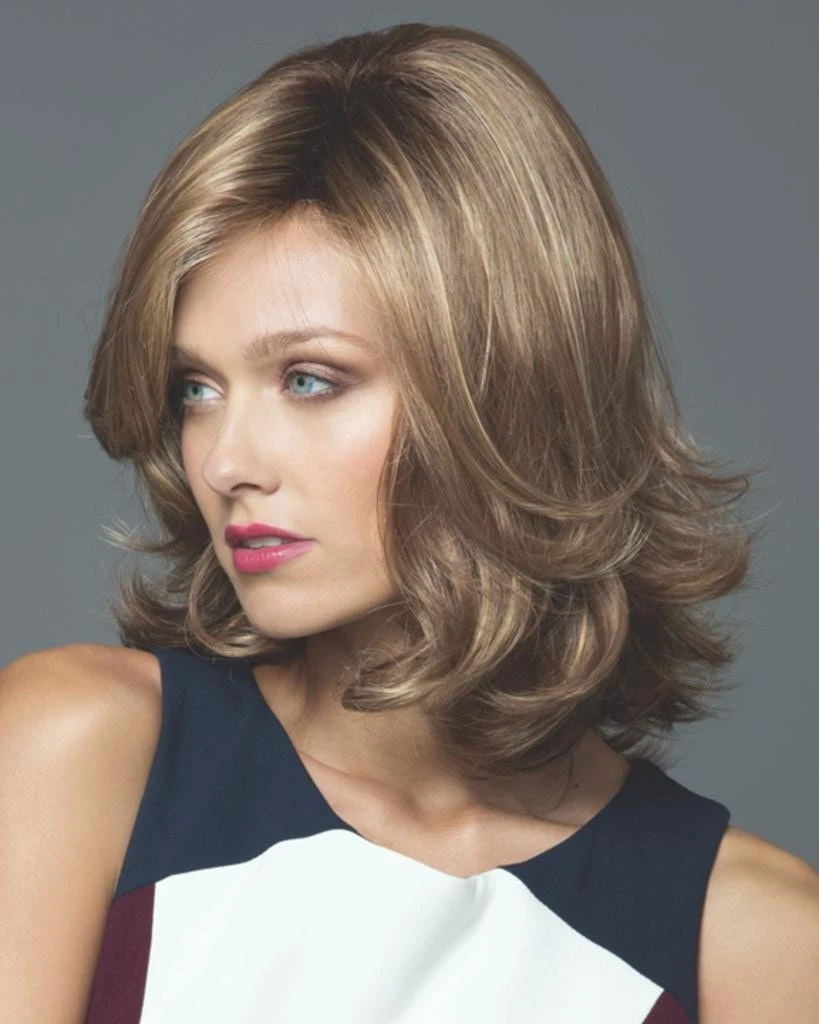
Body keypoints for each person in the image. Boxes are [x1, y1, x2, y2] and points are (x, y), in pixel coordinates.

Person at [1, 21, 817, 1024]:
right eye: (196, 389)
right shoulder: (80, 751)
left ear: (505, 389)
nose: (223, 462)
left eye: (309, 379)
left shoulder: (754, 942)